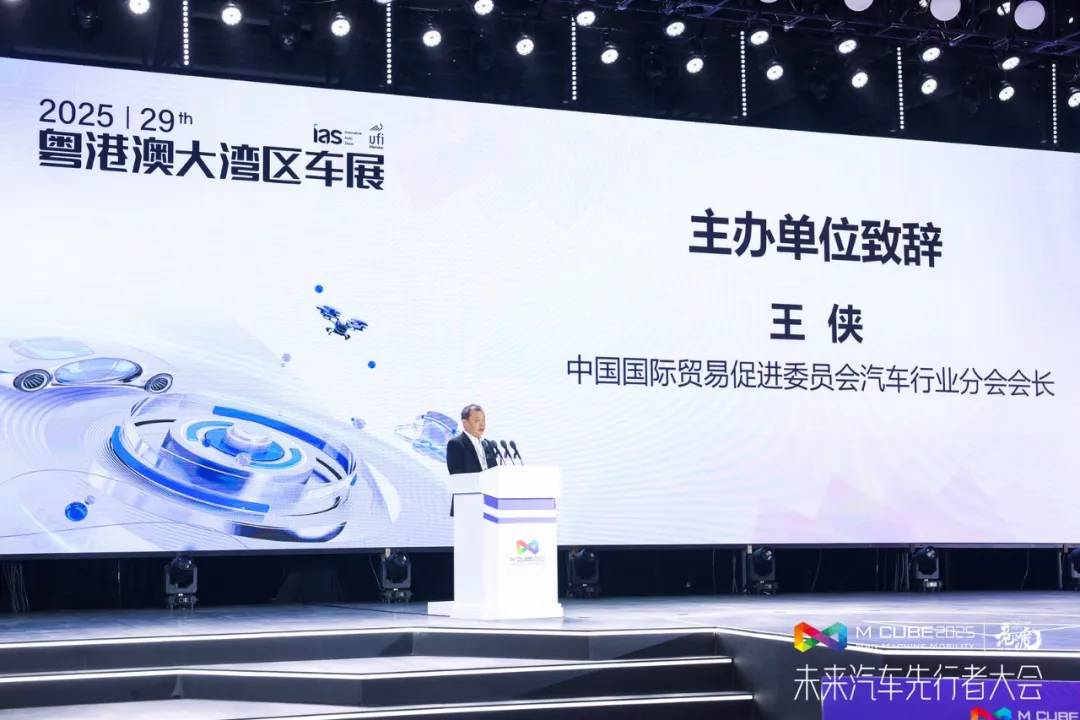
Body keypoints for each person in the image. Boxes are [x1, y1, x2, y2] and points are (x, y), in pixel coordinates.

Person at [446, 404, 496, 516]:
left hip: (490, 506)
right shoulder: (456, 444)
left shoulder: (488, 444)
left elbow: (495, 472)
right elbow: (456, 475)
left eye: (484, 420)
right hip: (466, 505)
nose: (482, 424)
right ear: (465, 422)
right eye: (477, 420)